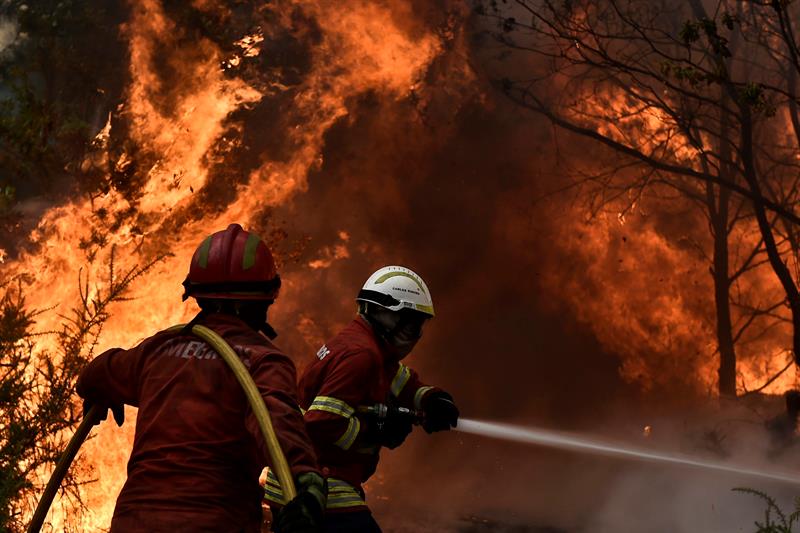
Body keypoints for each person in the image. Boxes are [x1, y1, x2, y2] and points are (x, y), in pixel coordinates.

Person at [77, 223, 325, 533]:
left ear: (195, 294)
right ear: (267, 297)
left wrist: (99, 394)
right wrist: (307, 484)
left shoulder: (159, 348)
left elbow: (95, 374)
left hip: (134, 521)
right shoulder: (264, 361)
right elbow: (278, 427)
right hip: (214, 522)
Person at [265, 265, 459, 532]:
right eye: (413, 324)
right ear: (389, 316)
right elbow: (320, 424)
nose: (415, 334)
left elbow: (400, 380)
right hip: (319, 481)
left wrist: (431, 399)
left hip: (302, 474)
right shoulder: (362, 356)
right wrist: (374, 431)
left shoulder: (366, 345)